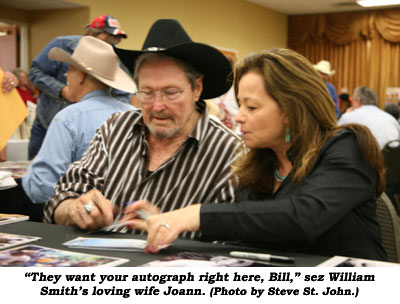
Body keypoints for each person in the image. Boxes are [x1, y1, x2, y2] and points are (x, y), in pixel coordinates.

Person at [127, 48, 387, 261]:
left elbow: (302, 217)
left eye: (251, 107)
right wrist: (166, 220)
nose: (239, 116)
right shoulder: (260, 164)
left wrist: (194, 215)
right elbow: (245, 232)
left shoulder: (346, 146)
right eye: (240, 105)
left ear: (291, 109)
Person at [43, 19, 242, 237]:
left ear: (197, 89)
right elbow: (60, 200)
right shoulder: (115, 129)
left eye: (171, 92)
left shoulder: (229, 152)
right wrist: (76, 210)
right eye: (146, 92)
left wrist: (170, 230)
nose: (157, 106)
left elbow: (230, 241)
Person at [0, 36, 135, 221]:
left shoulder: (69, 119)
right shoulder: (134, 114)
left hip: (83, 219)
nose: (66, 79)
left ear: (81, 77)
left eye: (69, 73)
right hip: (128, 218)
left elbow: (41, 189)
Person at [28, 14, 130, 160]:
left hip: (82, 133)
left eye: (114, 43)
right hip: (46, 125)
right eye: (106, 40)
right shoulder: (62, 44)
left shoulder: (111, 55)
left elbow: (122, 94)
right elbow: (35, 72)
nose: (109, 47)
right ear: (90, 34)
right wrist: (61, 90)